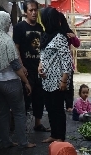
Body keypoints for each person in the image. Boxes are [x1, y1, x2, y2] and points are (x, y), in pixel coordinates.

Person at [0, 11, 35, 149]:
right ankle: (23, 142)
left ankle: (5, 141)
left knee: (3, 112)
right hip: (10, 82)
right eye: (8, 21)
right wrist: (26, 81)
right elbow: (15, 66)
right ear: (5, 23)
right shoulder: (8, 40)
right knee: (19, 112)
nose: (9, 24)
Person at [38, 6, 72, 143]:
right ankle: (54, 134)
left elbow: (67, 61)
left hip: (58, 81)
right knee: (50, 109)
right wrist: (40, 66)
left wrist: (64, 81)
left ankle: (60, 137)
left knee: (58, 110)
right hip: (46, 80)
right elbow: (43, 55)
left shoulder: (60, 37)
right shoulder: (45, 35)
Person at [13, 1, 47, 134]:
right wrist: (21, 66)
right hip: (25, 70)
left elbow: (43, 48)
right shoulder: (19, 28)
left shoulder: (40, 28)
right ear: (25, 12)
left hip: (38, 68)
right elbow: (16, 48)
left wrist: (42, 64)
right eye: (31, 10)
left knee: (40, 97)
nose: (34, 12)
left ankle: (38, 124)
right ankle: (23, 127)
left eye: (35, 10)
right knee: (25, 99)